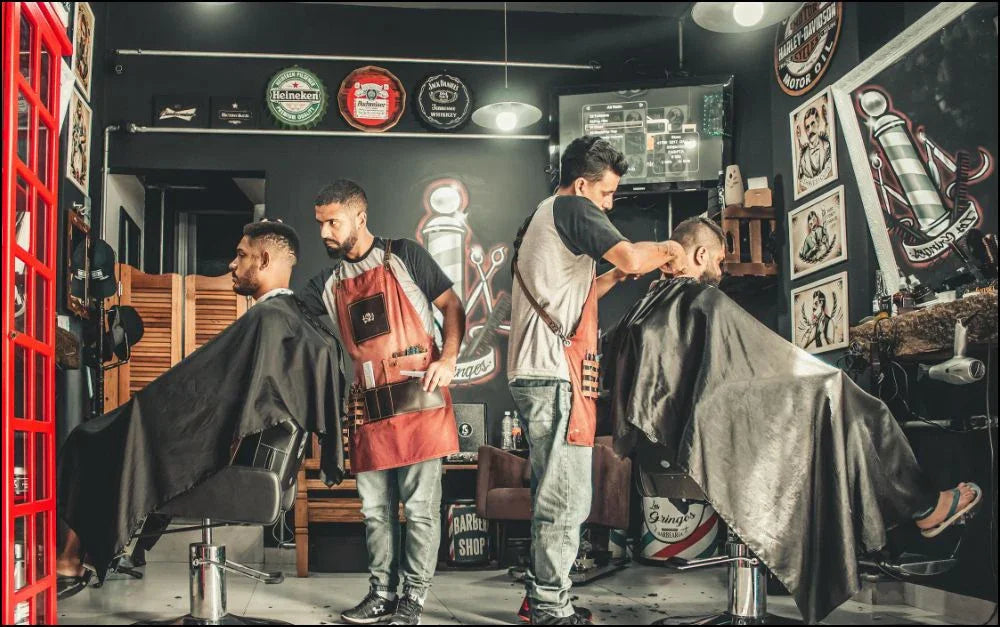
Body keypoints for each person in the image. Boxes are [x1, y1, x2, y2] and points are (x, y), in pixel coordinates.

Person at [607, 216, 981, 623]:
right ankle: (922, 509)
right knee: (856, 407)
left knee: (840, 417)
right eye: (717, 258)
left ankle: (897, 523)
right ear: (699, 254)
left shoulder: (643, 311)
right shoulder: (704, 302)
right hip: (725, 452)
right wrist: (824, 382)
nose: (720, 268)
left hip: (667, 458)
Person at [57, 220, 345, 599]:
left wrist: (146, 409)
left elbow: (198, 392)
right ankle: (92, 555)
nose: (231, 264)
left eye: (241, 255)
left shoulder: (268, 319)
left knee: (87, 439)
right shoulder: (294, 320)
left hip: (232, 466)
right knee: (113, 438)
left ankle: (68, 562)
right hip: (264, 466)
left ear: (263, 258)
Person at [507, 136, 685, 625]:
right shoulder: (573, 208)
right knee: (566, 500)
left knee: (552, 494)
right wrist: (672, 249)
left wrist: (610, 278)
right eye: (608, 194)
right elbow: (629, 257)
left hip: (537, 374)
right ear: (583, 185)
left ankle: (541, 595)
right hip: (554, 375)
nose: (609, 204)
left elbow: (573, 290)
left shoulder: (542, 216)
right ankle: (549, 608)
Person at [302, 180, 466, 626]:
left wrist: (449, 358)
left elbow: (452, 305)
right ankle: (382, 593)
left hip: (420, 405)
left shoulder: (405, 255)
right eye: (320, 224)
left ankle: (412, 597)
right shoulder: (327, 284)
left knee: (418, 510)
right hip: (370, 413)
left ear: (360, 216)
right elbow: (288, 313)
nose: (325, 233)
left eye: (332, 222)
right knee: (375, 511)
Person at [797, 105, 833, 184]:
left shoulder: (827, 147)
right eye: (807, 127)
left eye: (812, 124)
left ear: (818, 123)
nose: (810, 130)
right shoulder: (803, 159)